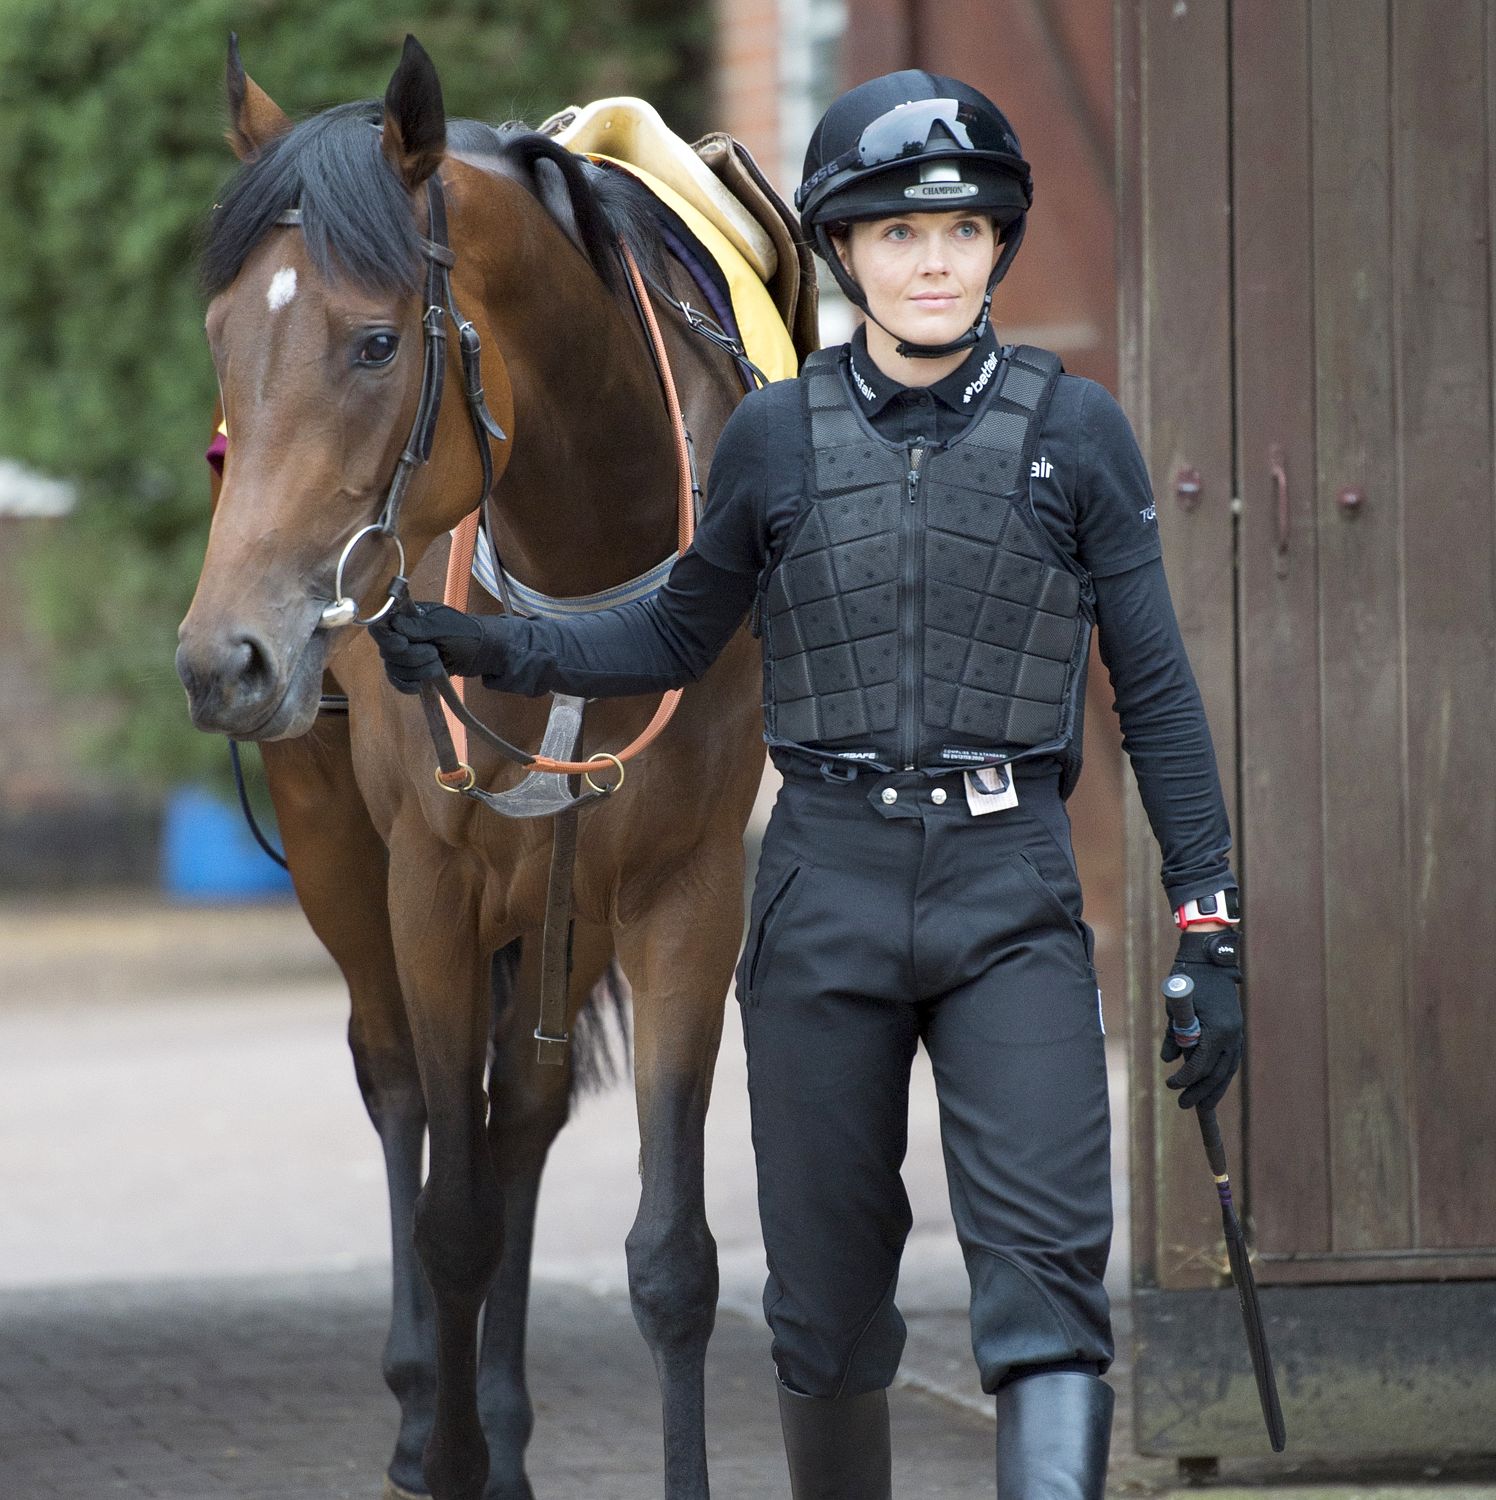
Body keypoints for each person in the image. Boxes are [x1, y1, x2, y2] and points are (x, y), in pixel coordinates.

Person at [371, 70, 1243, 1500]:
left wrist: (1209, 928)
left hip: (1008, 889)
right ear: (844, 252)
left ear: (998, 247)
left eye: (963, 232)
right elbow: (669, 629)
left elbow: (1152, 693)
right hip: (825, 886)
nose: (934, 259)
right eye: (899, 234)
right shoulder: (773, 439)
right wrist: (483, 638)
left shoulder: (1079, 436)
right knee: (828, 1317)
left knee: (1045, 1295)